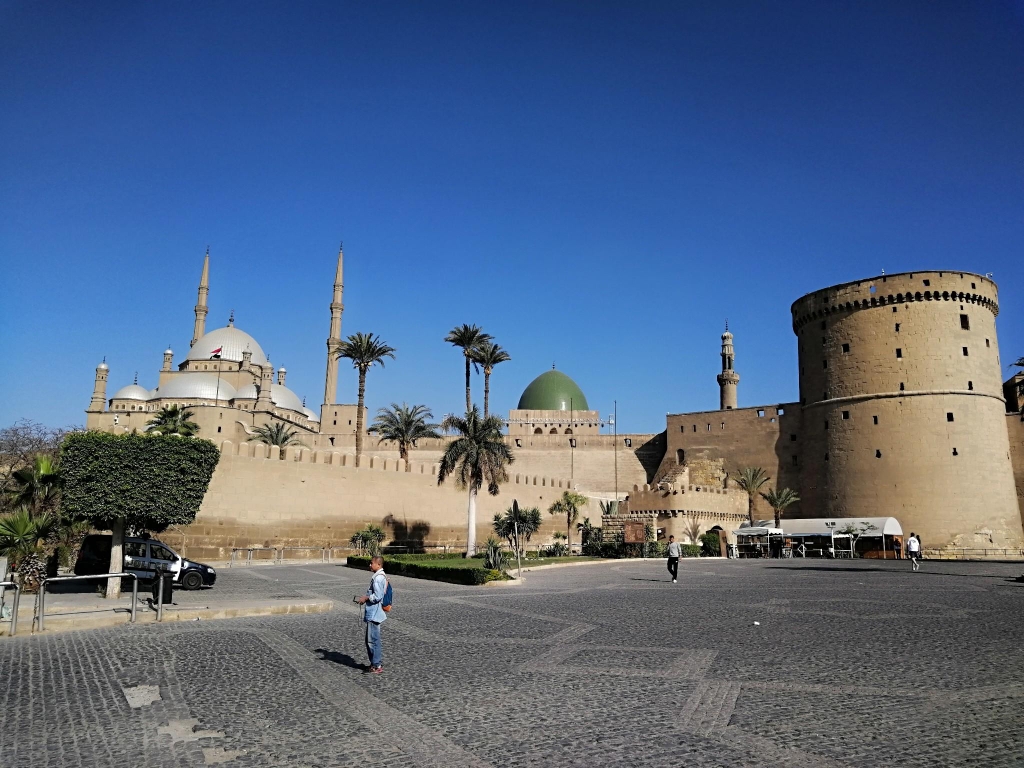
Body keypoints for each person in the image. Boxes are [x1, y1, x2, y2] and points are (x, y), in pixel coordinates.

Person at [355, 555, 388, 673]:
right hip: (375, 612)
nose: (369, 565)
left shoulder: (378, 578)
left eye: (371, 563)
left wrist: (366, 598)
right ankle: (375, 663)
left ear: (378, 565)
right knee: (372, 639)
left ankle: (376, 665)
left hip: (374, 613)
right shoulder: (380, 576)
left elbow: (378, 596)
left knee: (372, 640)